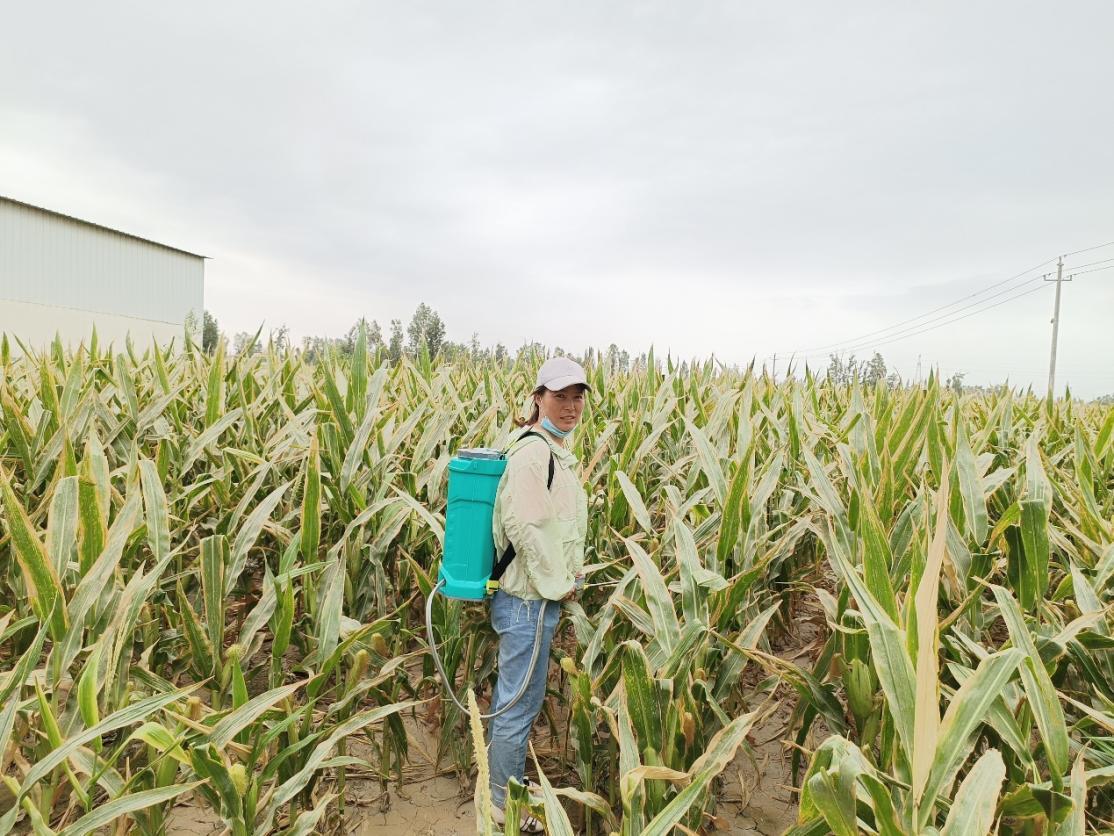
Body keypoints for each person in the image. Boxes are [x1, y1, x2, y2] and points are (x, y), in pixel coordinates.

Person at [487, 356, 590, 832]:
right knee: (516, 705)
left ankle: (509, 789)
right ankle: (502, 806)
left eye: (577, 397)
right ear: (538, 397)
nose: (570, 406)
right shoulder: (533, 454)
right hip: (528, 602)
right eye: (560, 396)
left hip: (536, 599)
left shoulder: (552, 448)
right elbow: (528, 526)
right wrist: (559, 582)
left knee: (521, 702)